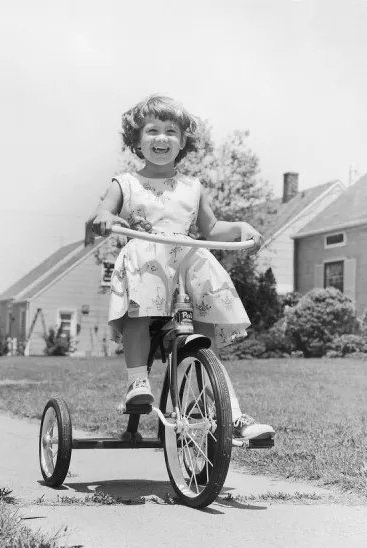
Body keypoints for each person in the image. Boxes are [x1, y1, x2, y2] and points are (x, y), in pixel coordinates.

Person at [90, 94, 275, 442]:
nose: (162, 138)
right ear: (136, 140)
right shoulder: (125, 183)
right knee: (139, 310)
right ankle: (137, 382)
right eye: (152, 131)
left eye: (171, 131)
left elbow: (212, 229)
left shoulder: (193, 187)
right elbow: (105, 211)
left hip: (187, 261)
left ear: (183, 142)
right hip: (148, 259)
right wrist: (105, 217)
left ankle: (229, 411)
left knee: (205, 332)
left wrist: (239, 228)